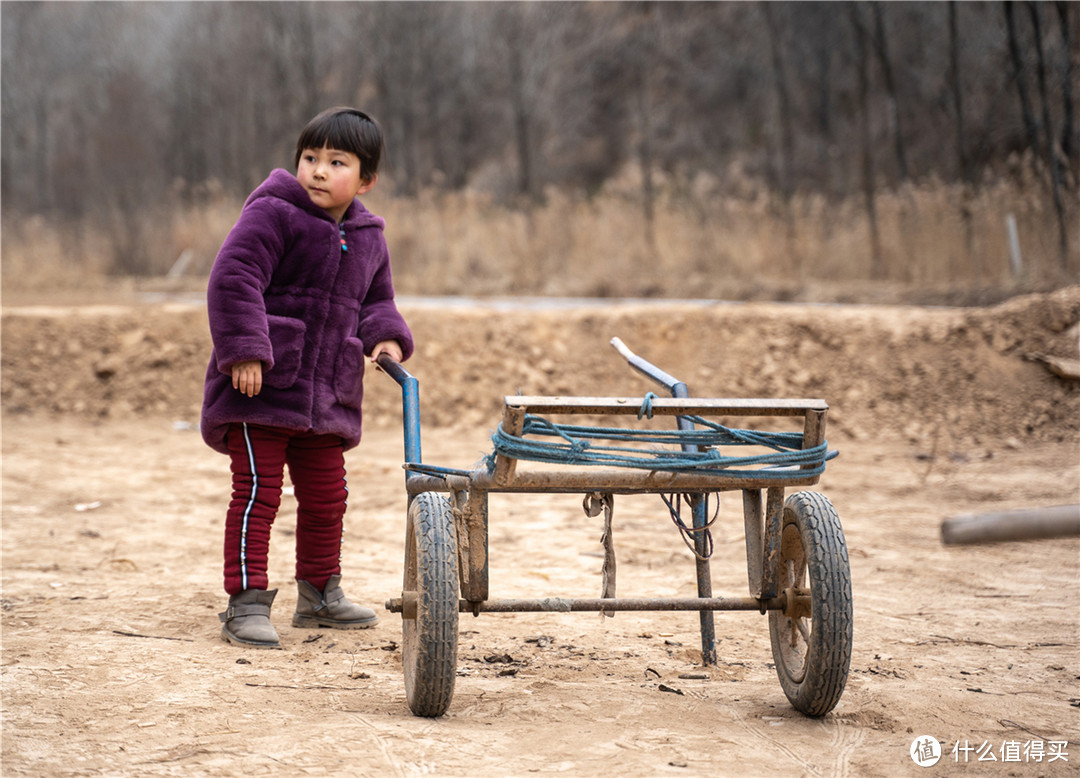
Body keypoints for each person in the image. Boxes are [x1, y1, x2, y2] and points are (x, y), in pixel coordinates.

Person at [200, 107, 413, 649]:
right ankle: (245, 603)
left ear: (366, 180)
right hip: (262, 387)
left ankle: (319, 595)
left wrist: (385, 336)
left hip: (327, 395)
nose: (318, 170)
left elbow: (377, 299)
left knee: (327, 498)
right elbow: (233, 277)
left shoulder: (367, 235)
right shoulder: (274, 214)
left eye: (336, 161)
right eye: (310, 157)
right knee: (258, 495)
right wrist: (245, 350)